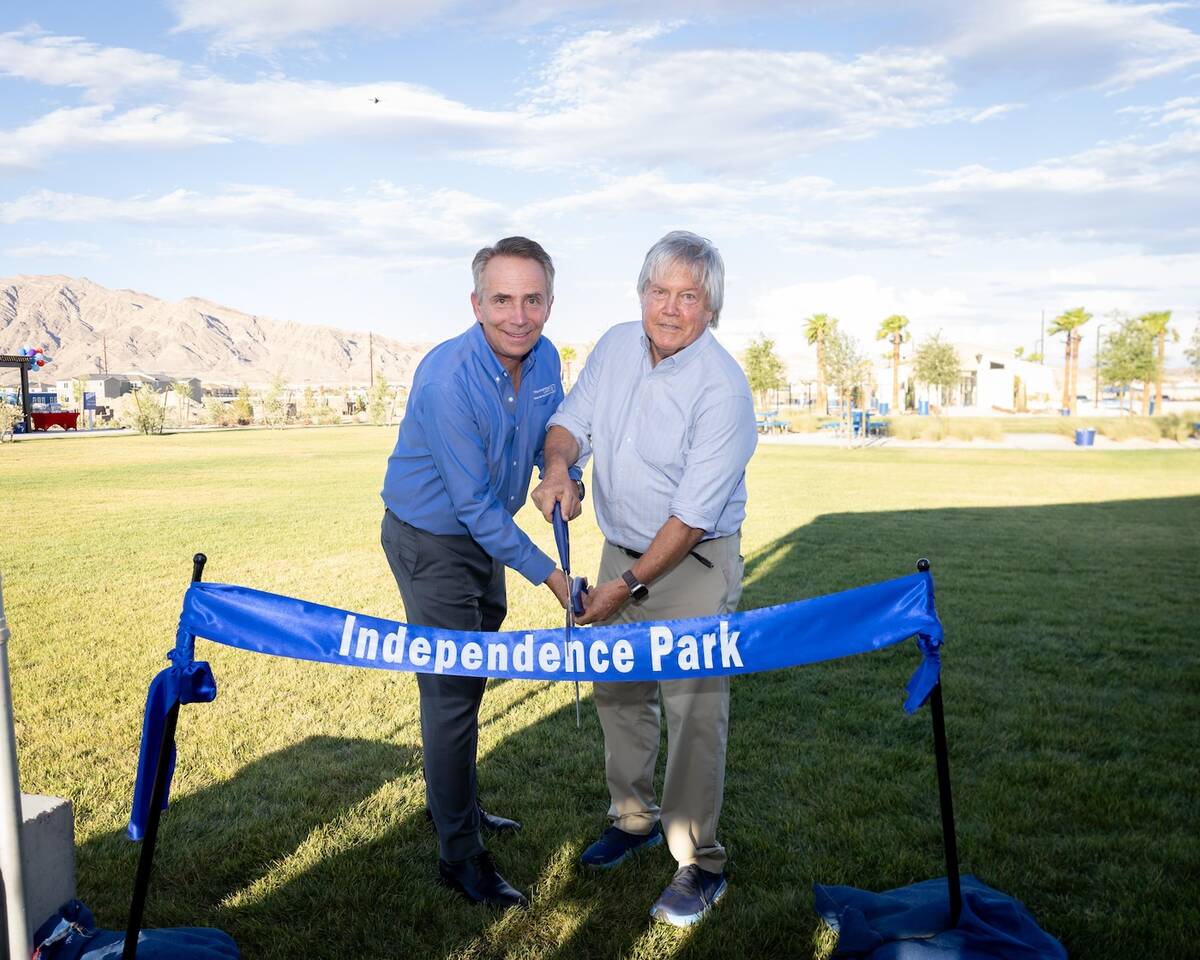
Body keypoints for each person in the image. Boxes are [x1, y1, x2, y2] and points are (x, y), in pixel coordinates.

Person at [531, 230, 757, 927]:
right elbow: (569, 423)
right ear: (641, 294)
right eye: (659, 291)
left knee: (695, 712)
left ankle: (699, 862)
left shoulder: (723, 388)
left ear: (710, 309)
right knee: (619, 692)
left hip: (692, 564)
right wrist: (561, 468)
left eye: (689, 296)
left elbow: (690, 518)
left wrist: (624, 586)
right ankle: (632, 820)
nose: (670, 307)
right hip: (619, 551)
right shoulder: (615, 345)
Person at [380, 236, 580, 910]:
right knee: (451, 692)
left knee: (470, 678)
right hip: (430, 539)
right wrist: (551, 575)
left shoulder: (547, 358)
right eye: (502, 300)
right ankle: (459, 853)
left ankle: (453, 805)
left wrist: (563, 474)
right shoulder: (446, 379)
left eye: (532, 299)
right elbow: (467, 504)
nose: (518, 315)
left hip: (483, 535)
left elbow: (553, 434)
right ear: (476, 303)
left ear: (549, 302)